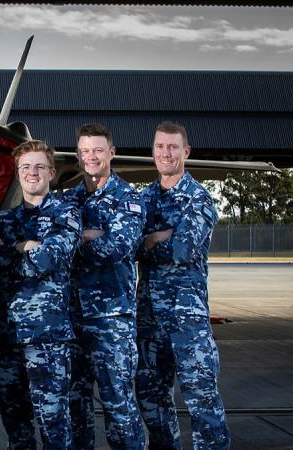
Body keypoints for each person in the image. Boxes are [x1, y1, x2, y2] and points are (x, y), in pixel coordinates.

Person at [136, 121, 230, 449]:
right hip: (150, 320)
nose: (166, 153)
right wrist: (158, 237)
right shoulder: (144, 199)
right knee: (151, 401)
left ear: (185, 152)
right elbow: (129, 246)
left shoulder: (198, 198)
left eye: (173, 147)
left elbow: (183, 249)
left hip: (187, 321)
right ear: (153, 151)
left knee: (203, 403)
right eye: (160, 146)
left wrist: (151, 242)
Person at [0, 140, 81, 449]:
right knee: (16, 427)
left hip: (49, 340)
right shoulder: (4, 220)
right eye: (25, 167)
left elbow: (47, 259)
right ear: (18, 174)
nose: (32, 173)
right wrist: (24, 247)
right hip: (8, 340)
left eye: (39, 166)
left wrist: (12, 251)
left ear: (52, 173)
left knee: (54, 426)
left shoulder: (66, 214)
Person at [63, 123, 146, 450]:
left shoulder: (128, 197)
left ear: (111, 152)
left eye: (98, 150)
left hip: (111, 319)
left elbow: (117, 248)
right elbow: (53, 241)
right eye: (85, 151)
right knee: (75, 405)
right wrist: (92, 234)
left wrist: (75, 238)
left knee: (119, 406)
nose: (91, 157)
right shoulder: (69, 198)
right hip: (71, 319)